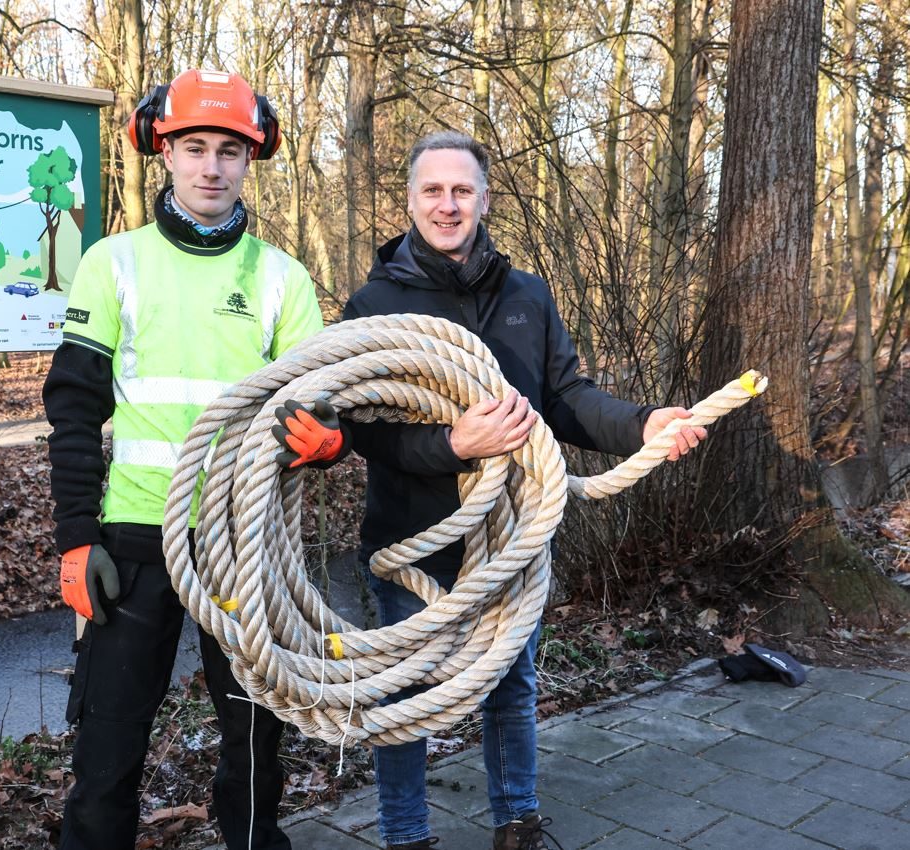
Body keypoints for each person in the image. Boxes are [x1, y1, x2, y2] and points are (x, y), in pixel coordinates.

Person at [273, 131, 706, 850]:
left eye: (462, 190)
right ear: (410, 201)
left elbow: (566, 397)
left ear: (483, 198)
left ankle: (517, 823)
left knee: (512, 685)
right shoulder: (374, 304)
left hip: (511, 536)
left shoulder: (526, 294)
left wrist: (643, 424)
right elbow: (365, 432)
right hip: (413, 538)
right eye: (433, 191)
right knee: (402, 692)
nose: (448, 205)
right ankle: (406, 835)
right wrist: (453, 445)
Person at [43, 69, 324, 850]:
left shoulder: (281, 278)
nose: (211, 167)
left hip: (242, 544)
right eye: (193, 147)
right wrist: (75, 536)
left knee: (256, 745)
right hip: (135, 543)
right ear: (161, 152)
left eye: (228, 150)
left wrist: (327, 443)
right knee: (107, 747)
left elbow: (316, 407)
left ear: (251, 157)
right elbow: (72, 410)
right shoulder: (113, 263)